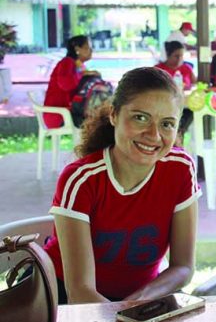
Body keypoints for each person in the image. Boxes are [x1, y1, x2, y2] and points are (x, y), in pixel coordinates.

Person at [43, 67, 200, 304]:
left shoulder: (180, 169)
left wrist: (134, 305)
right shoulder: (81, 179)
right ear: (114, 115)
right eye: (140, 118)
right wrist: (126, 315)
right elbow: (79, 291)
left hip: (137, 299)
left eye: (167, 124)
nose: (154, 135)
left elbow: (183, 267)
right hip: (61, 296)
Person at [43, 35, 100, 128]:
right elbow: (66, 85)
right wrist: (83, 74)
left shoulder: (79, 65)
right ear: (77, 49)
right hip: (58, 114)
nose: (91, 51)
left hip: (70, 112)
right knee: (99, 124)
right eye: (87, 48)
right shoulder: (66, 62)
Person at [155, 41, 196, 147]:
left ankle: (178, 140)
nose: (179, 59)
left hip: (186, 106)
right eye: (176, 56)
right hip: (165, 107)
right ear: (168, 55)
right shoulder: (158, 70)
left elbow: (195, 84)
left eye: (181, 56)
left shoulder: (186, 68)